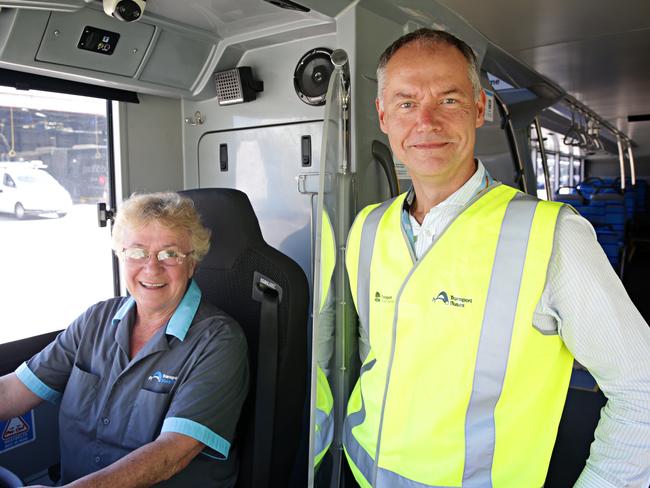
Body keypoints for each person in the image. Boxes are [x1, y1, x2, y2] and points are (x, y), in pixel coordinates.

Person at [343, 29, 650, 488]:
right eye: (406, 103)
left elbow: (641, 388)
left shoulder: (552, 235)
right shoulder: (367, 227)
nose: (425, 121)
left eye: (448, 100)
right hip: (361, 471)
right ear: (383, 115)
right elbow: (375, 352)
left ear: (481, 107)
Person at [0, 192, 249, 487]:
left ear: (192, 263)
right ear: (121, 256)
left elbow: (173, 452)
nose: (152, 267)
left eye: (170, 254)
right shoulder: (96, 320)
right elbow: (13, 390)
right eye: (138, 252)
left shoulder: (219, 341)